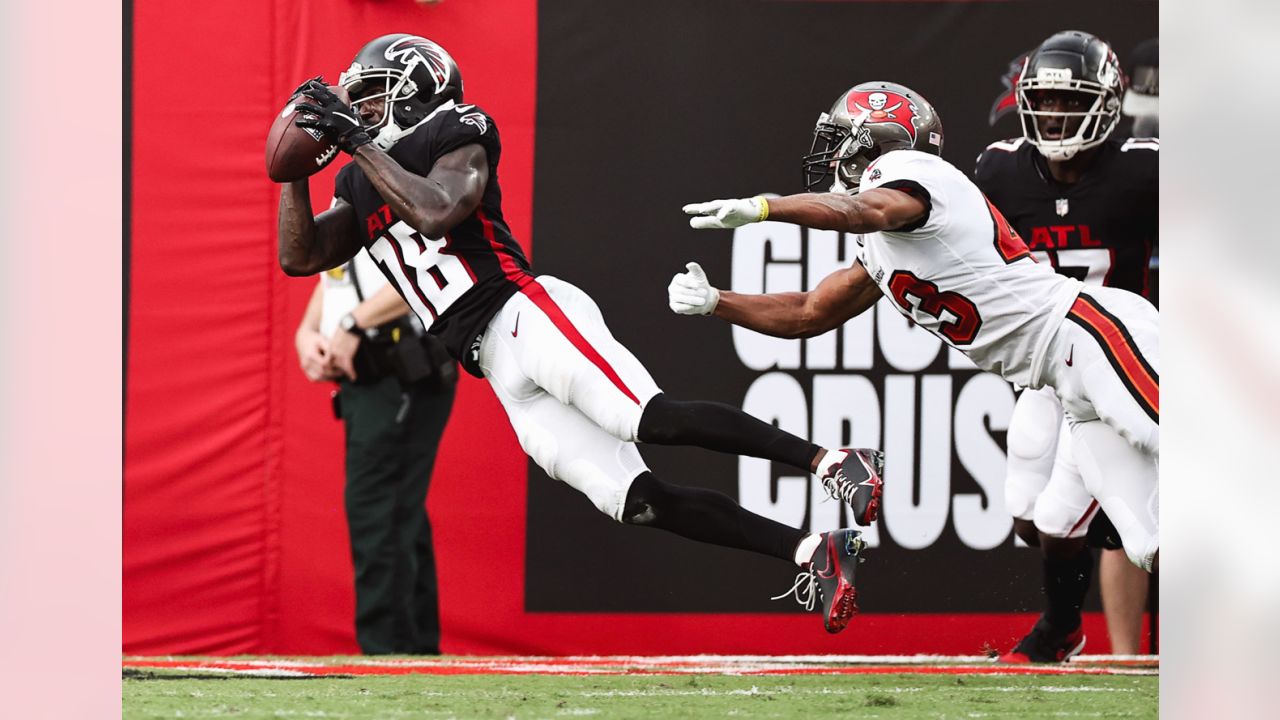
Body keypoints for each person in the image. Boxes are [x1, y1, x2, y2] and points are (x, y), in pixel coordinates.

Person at [275, 33, 886, 634]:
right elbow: (300, 257)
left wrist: (355, 141)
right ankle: (814, 553)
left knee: (648, 418)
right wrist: (294, 169)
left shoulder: (460, 128)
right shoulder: (360, 179)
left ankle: (834, 461)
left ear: (418, 89)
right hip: (490, 363)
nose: (361, 109)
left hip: (524, 314)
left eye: (375, 94)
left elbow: (438, 209)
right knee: (636, 500)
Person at [671, 80, 1159, 618]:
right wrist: (719, 301)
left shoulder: (915, 179)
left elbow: (866, 211)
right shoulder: (881, 246)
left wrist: (768, 208)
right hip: (1062, 383)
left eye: (842, 139)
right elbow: (811, 311)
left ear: (877, 142)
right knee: (1148, 542)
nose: (832, 152)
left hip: (1091, 335)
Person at [973, 30, 1158, 662]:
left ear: (1108, 102)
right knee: (1029, 516)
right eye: (1045, 102)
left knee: (1144, 527)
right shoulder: (1000, 170)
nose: (1054, 117)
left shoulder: (1144, 168)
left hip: (1120, 364)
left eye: (1068, 102)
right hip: (1048, 367)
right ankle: (1063, 622)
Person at [294, 250, 457, 654]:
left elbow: (433, 276)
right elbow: (337, 277)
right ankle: (414, 656)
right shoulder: (349, 190)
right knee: (397, 512)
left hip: (401, 368)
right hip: (369, 376)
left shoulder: (408, 188)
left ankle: (389, 657)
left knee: (379, 510)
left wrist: (352, 324)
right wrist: (308, 331)